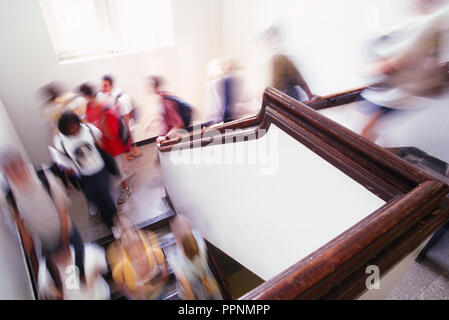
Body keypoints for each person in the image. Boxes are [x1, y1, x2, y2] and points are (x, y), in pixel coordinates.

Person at [0, 148, 86, 298]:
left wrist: (64, 242)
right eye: (8, 170)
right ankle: (70, 292)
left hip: (66, 234)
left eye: (14, 167)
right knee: (60, 275)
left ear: (22, 163)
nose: (13, 173)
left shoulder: (44, 177)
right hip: (46, 241)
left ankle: (82, 289)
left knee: (76, 268)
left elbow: (62, 212)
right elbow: (17, 217)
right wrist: (26, 238)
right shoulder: (10, 193)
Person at [358, 0, 449, 141]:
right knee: (367, 123)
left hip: (405, 90)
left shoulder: (431, 22)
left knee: (365, 122)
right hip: (409, 88)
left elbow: (402, 60)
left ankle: (374, 155)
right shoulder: (431, 20)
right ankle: (375, 151)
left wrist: (370, 69)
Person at [54, 112, 121, 239]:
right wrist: (67, 168)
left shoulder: (89, 129)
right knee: (92, 196)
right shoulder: (60, 140)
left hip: (100, 169)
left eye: (75, 126)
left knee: (104, 197)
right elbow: (62, 156)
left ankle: (113, 224)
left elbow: (100, 142)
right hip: (83, 175)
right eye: (69, 129)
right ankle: (93, 203)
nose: (74, 130)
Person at [81, 83, 133, 205]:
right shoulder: (89, 107)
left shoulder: (107, 110)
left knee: (119, 170)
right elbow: (89, 123)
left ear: (87, 96)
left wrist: (102, 122)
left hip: (114, 147)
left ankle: (126, 189)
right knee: (109, 171)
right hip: (101, 147)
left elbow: (111, 135)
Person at [165, 215, 222, 300]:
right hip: (208, 282)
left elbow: (189, 293)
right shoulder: (199, 239)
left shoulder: (174, 259)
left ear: (175, 236)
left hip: (195, 291)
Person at [107, 228, 169, 300]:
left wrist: (157, 284)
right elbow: (122, 288)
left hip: (159, 294)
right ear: (126, 251)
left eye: (138, 246)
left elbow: (165, 274)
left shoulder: (155, 253)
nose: (138, 255)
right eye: (131, 249)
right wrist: (136, 296)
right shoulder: (120, 269)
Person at [264, 26, 320, 102]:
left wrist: (309, 94)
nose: (271, 41)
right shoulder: (273, 60)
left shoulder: (282, 59)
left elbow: (298, 78)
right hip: (280, 99)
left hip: (288, 98)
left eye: (272, 38)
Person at [38, 242, 110, 300]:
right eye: (56, 258)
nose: (61, 259)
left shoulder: (84, 252)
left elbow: (102, 263)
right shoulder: (45, 267)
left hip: (99, 296)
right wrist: (57, 293)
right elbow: (44, 289)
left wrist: (94, 273)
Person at [97, 75, 142, 162]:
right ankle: (134, 151)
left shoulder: (121, 98)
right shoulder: (104, 95)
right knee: (127, 139)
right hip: (118, 122)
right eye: (101, 85)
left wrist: (127, 130)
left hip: (125, 122)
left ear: (111, 86)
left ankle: (133, 151)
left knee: (127, 138)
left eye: (105, 85)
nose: (102, 88)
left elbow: (127, 115)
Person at [145, 76, 187, 144]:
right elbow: (163, 114)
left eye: (150, 86)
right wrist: (151, 122)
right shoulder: (161, 98)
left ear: (155, 86)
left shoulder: (167, 102)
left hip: (173, 137)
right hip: (167, 134)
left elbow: (178, 123)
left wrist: (166, 137)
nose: (148, 89)